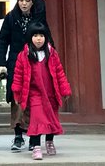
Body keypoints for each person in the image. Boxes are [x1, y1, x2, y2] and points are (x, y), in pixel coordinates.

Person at [0, 0, 48, 150]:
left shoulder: (38, 19)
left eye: (27, 0)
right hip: (15, 64)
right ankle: (18, 136)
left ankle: (33, 136)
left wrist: (50, 61)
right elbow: (2, 41)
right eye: (21, 0)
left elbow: (47, 39)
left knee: (34, 99)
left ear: (33, 2)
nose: (24, 3)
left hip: (34, 62)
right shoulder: (10, 17)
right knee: (17, 98)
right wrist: (1, 63)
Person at [11, 21, 70, 161]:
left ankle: (49, 141)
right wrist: (17, 92)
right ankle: (36, 147)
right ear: (30, 37)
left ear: (46, 37)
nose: (39, 39)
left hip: (50, 93)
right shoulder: (23, 55)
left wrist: (65, 90)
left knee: (51, 118)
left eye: (41, 35)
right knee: (36, 120)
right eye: (35, 35)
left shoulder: (51, 53)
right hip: (34, 94)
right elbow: (18, 75)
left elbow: (59, 73)